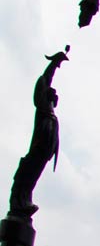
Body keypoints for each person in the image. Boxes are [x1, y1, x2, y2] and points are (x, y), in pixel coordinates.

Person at [8, 48, 68, 218]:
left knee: (33, 178)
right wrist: (54, 63)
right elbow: (46, 79)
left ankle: (24, 200)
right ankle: (18, 201)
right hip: (38, 149)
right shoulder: (42, 106)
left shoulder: (51, 113)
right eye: (52, 93)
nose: (55, 95)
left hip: (45, 152)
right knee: (27, 174)